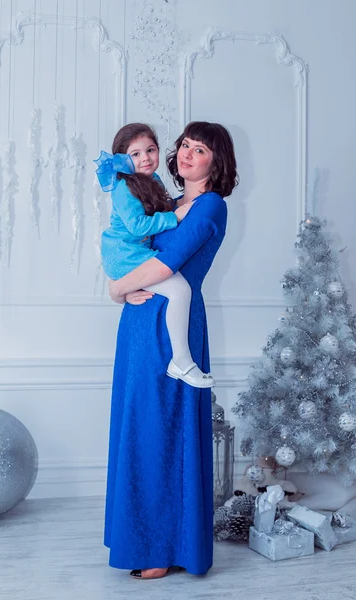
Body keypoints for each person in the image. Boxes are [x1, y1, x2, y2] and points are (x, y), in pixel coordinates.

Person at [105, 121, 238, 579]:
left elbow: (164, 266)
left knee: (161, 431)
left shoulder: (209, 206)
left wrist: (115, 288)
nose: (186, 154)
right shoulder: (164, 198)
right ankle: (139, 540)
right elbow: (127, 242)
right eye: (184, 145)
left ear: (215, 162)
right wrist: (122, 290)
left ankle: (160, 547)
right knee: (139, 427)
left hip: (171, 331)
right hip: (139, 329)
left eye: (199, 149)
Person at [94, 123, 214, 388]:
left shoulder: (154, 181)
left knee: (175, 289)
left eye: (150, 150)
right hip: (124, 254)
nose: (145, 158)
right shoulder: (123, 187)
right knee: (180, 290)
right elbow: (138, 226)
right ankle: (181, 361)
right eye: (135, 154)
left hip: (135, 252)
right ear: (123, 159)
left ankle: (180, 359)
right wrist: (174, 217)